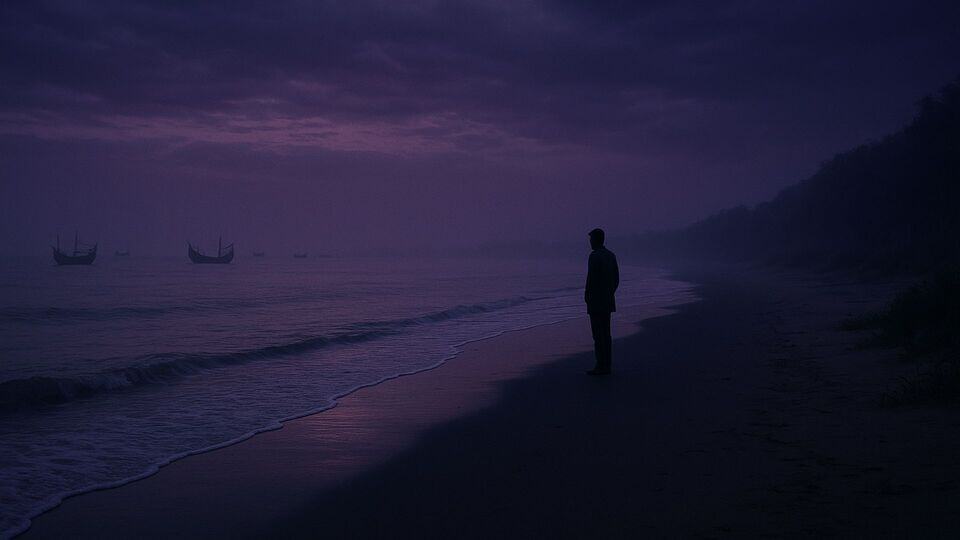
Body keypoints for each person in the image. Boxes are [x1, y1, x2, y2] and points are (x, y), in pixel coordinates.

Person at [584, 228, 619, 375]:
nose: (590, 242)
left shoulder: (594, 256)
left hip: (596, 301)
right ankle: (607, 364)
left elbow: (591, 279)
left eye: (591, 239)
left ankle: (601, 365)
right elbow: (616, 279)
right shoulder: (611, 255)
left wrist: (587, 296)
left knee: (598, 334)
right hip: (608, 299)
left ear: (597, 240)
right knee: (606, 333)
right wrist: (610, 292)